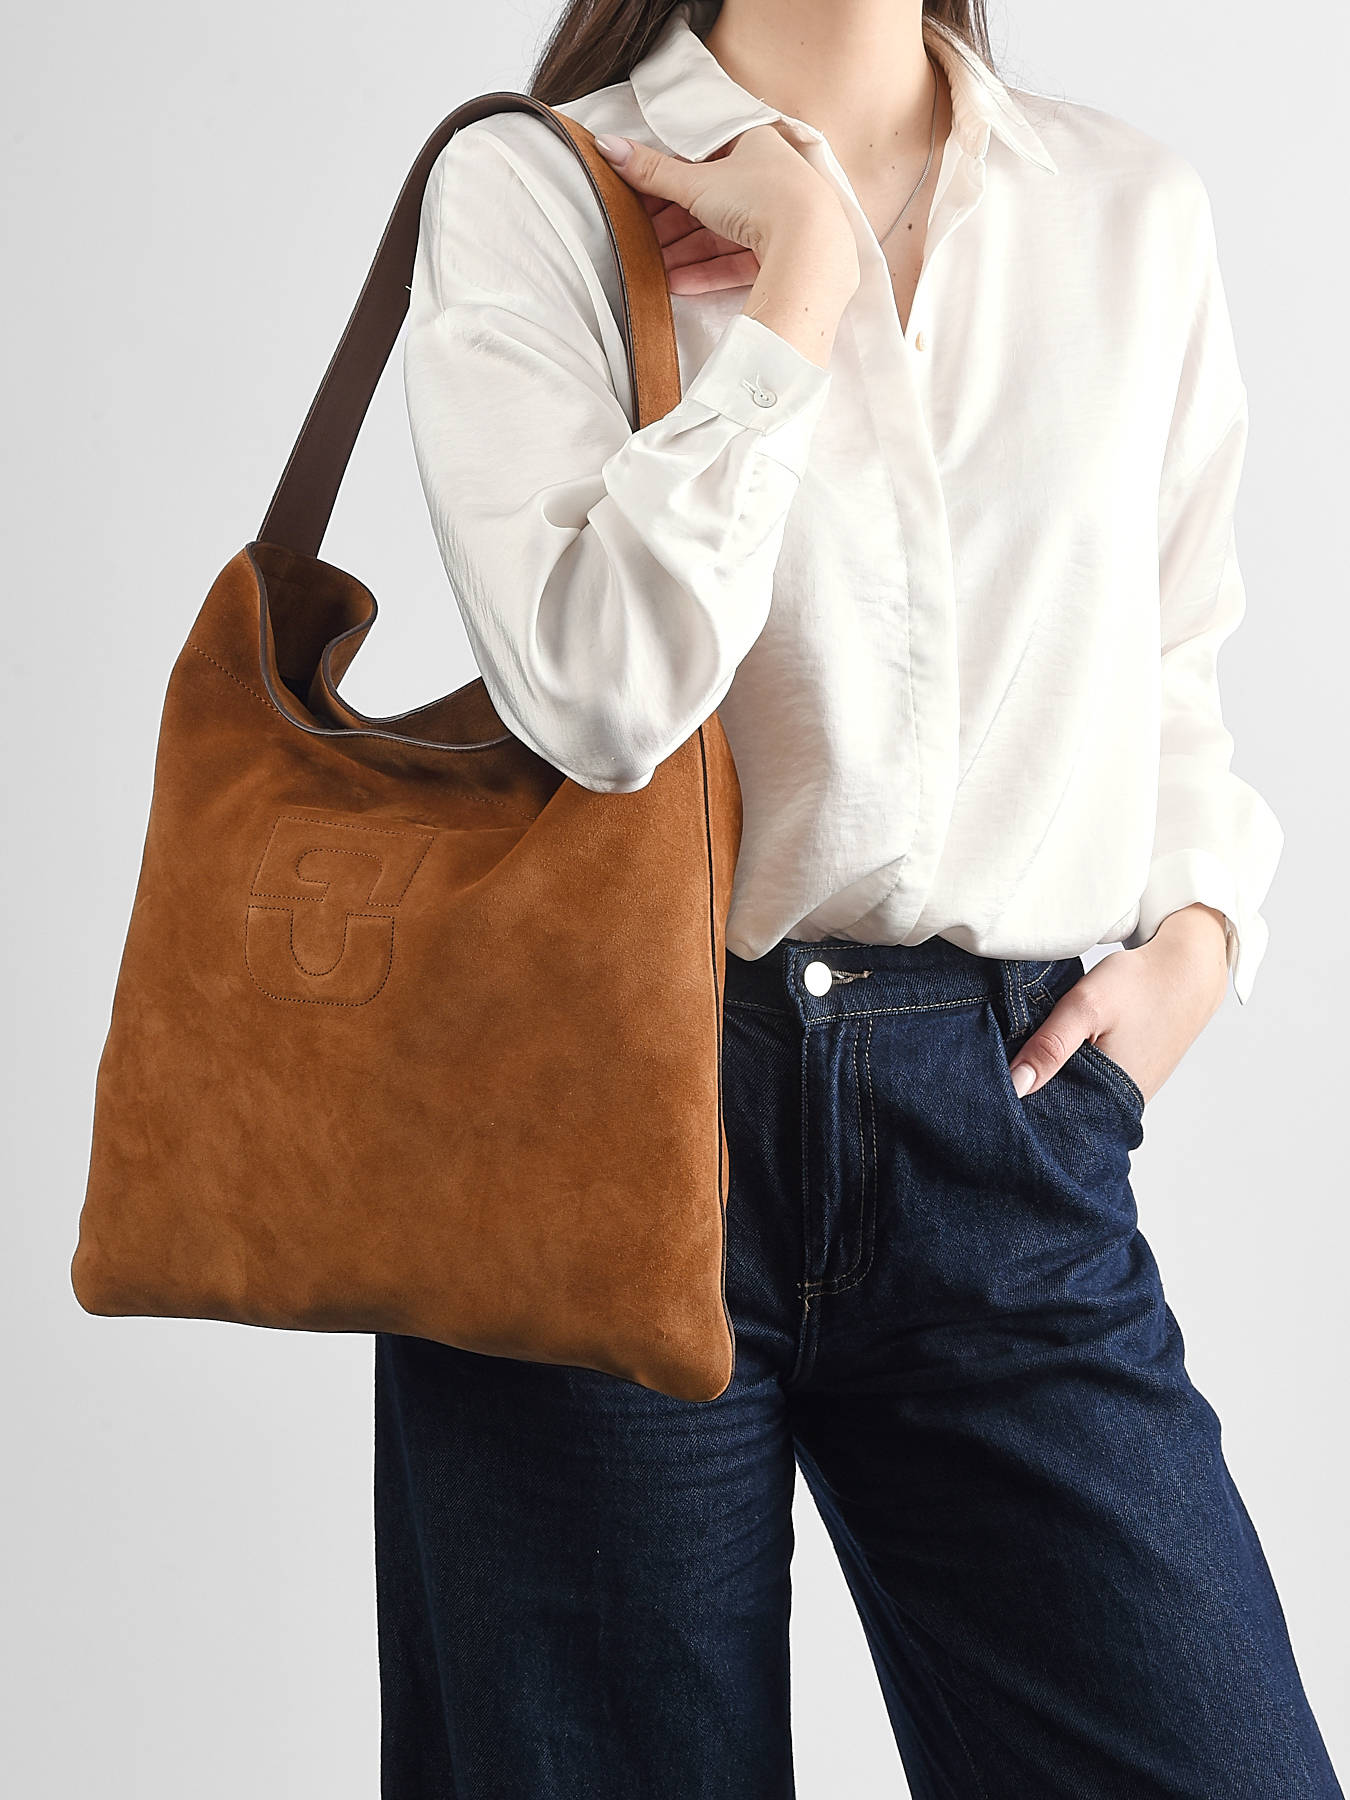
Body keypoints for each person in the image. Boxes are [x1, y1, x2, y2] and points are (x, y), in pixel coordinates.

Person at [374, 2, 1342, 1794]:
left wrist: (1204, 928)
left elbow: (1168, 647)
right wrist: (798, 291)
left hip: (1006, 1136)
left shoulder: (1122, 206)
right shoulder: (541, 184)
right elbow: (597, 693)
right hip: (600, 1118)